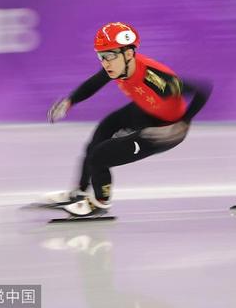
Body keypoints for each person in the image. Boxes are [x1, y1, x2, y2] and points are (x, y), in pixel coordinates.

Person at [45, 22, 211, 217]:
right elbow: (94, 83)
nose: (105, 63)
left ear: (129, 54)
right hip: (144, 111)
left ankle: (100, 203)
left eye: (109, 56)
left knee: (100, 156)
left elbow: (202, 90)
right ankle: (79, 193)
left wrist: (184, 122)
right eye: (101, 56)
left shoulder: (155, 78)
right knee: (100, 134)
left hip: (165, 130)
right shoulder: (118, 66)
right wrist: (70, 101)